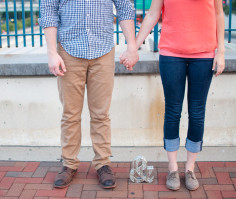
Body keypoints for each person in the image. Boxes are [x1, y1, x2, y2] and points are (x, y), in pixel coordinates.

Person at [120, 0, 225, 191]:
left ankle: (190, 169)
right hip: (171, 54)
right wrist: (133, 47)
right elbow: (152, 15)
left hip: (204, 55)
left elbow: (218, 14)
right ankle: (173, 168)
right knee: (173, 110)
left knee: (197, 112)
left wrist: (221, 52)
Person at [39, 0, 138, 189]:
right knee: (70, 114)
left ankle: (102, 163)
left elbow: (125, 7)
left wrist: (132, 46)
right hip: (68, 50)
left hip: (103, 50)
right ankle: (69, 163)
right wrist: (52, 52)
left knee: (101, 114)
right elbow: (48, 9)